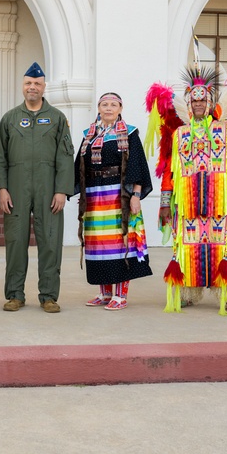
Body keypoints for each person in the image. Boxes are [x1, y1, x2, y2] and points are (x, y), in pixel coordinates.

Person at [145, 61, 227, 315]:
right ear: (188, 104)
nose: (199, 104)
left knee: (223, 249)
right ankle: (189, 292)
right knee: (186, 248)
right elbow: (169, 169)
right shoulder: (179, 134)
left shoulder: (225, 131)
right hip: (188, 205)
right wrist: (165, 203)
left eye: (203, 101)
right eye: (194, 101)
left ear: (211, 103)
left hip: (220, 204)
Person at [0, 62, 75, 313]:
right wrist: (3, 189)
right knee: (16, 242)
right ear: (22, 86)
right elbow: (0, 157)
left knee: (50, 241)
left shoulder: (57, 118)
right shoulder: (10, 118)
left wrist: (62, 190)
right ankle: (15, 294)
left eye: (37, 84)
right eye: (28, 83)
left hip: (48, 189)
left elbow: (65, 156)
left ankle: (49, 295)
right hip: (16, 188)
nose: (32, 87)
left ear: (43, 87)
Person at [74, 92, 152, 310]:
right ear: (98, 108)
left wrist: (136, 195)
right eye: (104, 104)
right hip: (94, 196)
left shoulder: (129, 133)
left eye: (113, 104)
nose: (108, 108)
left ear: (120, 108)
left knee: (119, 243)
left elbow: (138, 164)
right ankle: (105, 292)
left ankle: (121, 295)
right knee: (98, 245)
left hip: (119, 196)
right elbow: (79, 166)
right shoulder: (89, 134)